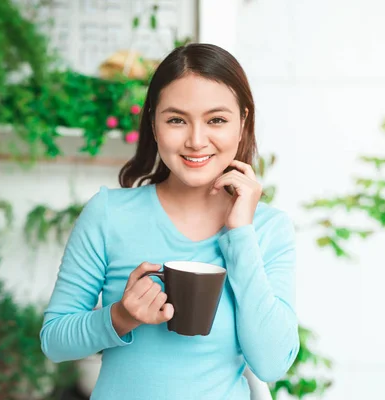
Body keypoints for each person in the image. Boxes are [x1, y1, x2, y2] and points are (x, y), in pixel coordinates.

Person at [40, 43, 300, 400]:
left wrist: (241, 232)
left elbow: (271, 364)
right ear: (153, 124)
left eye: (217, 120)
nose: (196, 141)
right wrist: (119, 317)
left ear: (243, 122)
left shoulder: (269, 228)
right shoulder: (108, 214)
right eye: (177, 119)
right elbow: (54, 340)